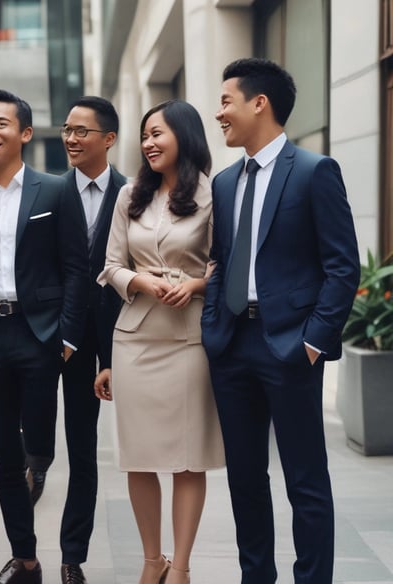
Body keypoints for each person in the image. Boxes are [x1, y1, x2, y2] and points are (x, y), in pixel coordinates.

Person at [201, 58, 360, 583]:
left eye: (226, 101)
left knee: (305, 481)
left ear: (258, 103)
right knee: (245, 481)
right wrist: (211, 328)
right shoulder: (224, 183)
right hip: (231, 345)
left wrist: (313, 341)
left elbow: (342, 267)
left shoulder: (315, 172)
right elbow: (220, 261)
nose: (219, 112)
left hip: (289, 347)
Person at [0, 89, 89, 584]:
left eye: (1, 123)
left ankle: (40, 463)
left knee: (38, 445)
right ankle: (25, 560)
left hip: (39, 333)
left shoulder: (55, 191)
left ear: (25, 133)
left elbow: (75, 266)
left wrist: (67, 336)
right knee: (5, 457)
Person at [95, 99, 225, 584]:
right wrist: (144, 283)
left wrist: (193, 285)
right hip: (135, 338)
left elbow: (225, 265)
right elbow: (110, 265)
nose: (148, 143)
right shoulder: (129, 194)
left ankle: (182, 568)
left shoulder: (216, 195)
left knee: (189, 459)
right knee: (140, 457)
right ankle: (152, 561)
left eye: (158, 134)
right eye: (145, 135)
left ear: (184, 137)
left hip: (189, 338)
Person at [20, 95, 126, 584]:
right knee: (36, 437)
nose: (70, 138)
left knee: (84, 449)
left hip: (99, 341)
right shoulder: (47, 191)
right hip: (47, 334)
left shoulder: (132, 193)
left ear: (108, 138)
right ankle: (36, 465)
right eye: (66, 129)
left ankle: (72, 557)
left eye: (81, 131)